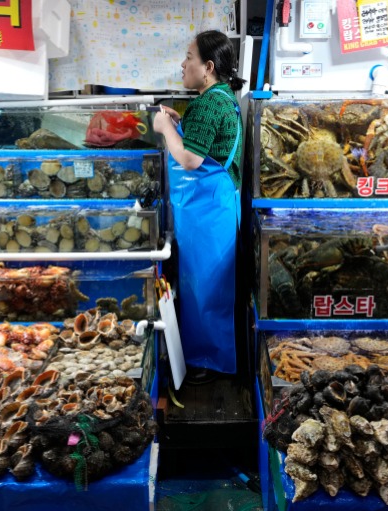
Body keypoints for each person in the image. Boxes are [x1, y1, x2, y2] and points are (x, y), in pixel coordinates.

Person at [153, 30, 246, 375]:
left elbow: (190, 160)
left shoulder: (209, 102)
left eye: (188, 57)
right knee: (204, 287)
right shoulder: (222, 98)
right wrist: (179, 125)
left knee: (207, 289)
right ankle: (206, 358)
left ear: (207, 66)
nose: (183, 64)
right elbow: (201, 145)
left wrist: (165, 128)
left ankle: (209, 363)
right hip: (211, 208)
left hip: (208, 212)